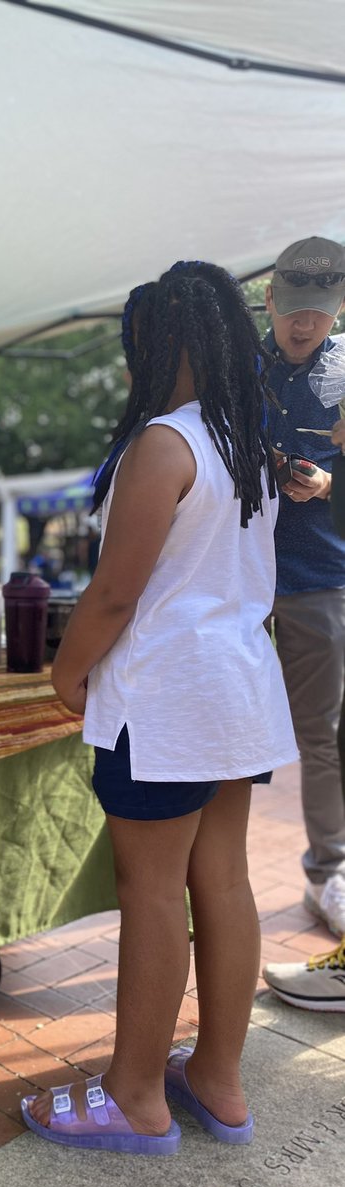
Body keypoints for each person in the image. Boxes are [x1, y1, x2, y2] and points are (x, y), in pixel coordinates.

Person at [21, 262, 297, 1156]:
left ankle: (135, 1094)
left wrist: (66, 676)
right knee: (222, 883)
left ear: (164, 338)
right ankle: (217, 1080)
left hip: (167, 697)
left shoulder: (165, 444)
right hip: (235, 689)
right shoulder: (244, 443)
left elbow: (112, 595)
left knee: (150, 893)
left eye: (137, 340)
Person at [259, 236, 345, 937]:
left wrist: (329, 486)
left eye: (317, 313)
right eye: (293, 310)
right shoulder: (235, 367)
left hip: (322, 579)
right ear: (270, 300)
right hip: (236, 581)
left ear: (338, 309)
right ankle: (202, 872)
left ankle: (329, 873)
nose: (303, 325)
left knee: (322, 734)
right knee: (223, 728)